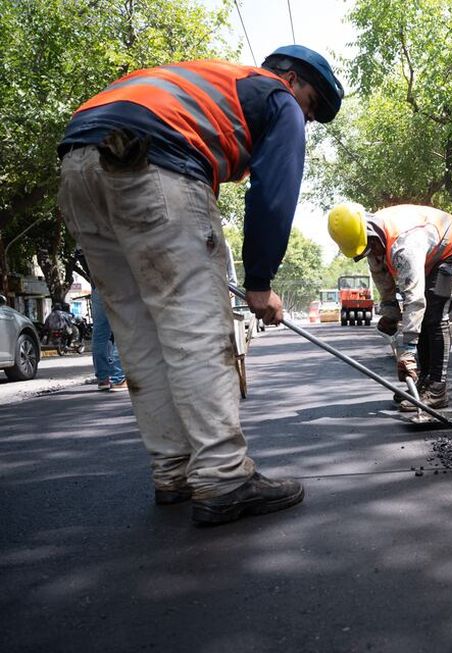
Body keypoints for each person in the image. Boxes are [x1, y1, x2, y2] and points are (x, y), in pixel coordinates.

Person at [57, 45, 344, 525]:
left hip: (79, 163)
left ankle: (173, 470)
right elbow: (274, 194)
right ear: (292, 80)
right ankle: (224, 477)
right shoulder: (277, 98)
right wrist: (259, 283)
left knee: (138, 332)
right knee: (197, 328)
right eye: (311, 106)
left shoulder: (206, 81)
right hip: (154, 157)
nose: (306, 120)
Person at [327, 203, 452, 410]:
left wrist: (407, 351)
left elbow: (414, 301)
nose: (371, 255)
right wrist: (390, 313)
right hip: (430, 257)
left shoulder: (404, 246)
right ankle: (424, 382)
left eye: (370, 249)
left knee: (434, 316)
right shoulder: (372, 238)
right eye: (364, 253)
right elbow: (382, 278)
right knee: (424, 317)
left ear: (372, 235)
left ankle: (437, 390)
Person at [91, 288, 127, 392]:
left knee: (100, 334)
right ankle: (118, 379)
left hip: (97, 286)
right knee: (122, 329)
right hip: (117, 285)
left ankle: (103, 379)